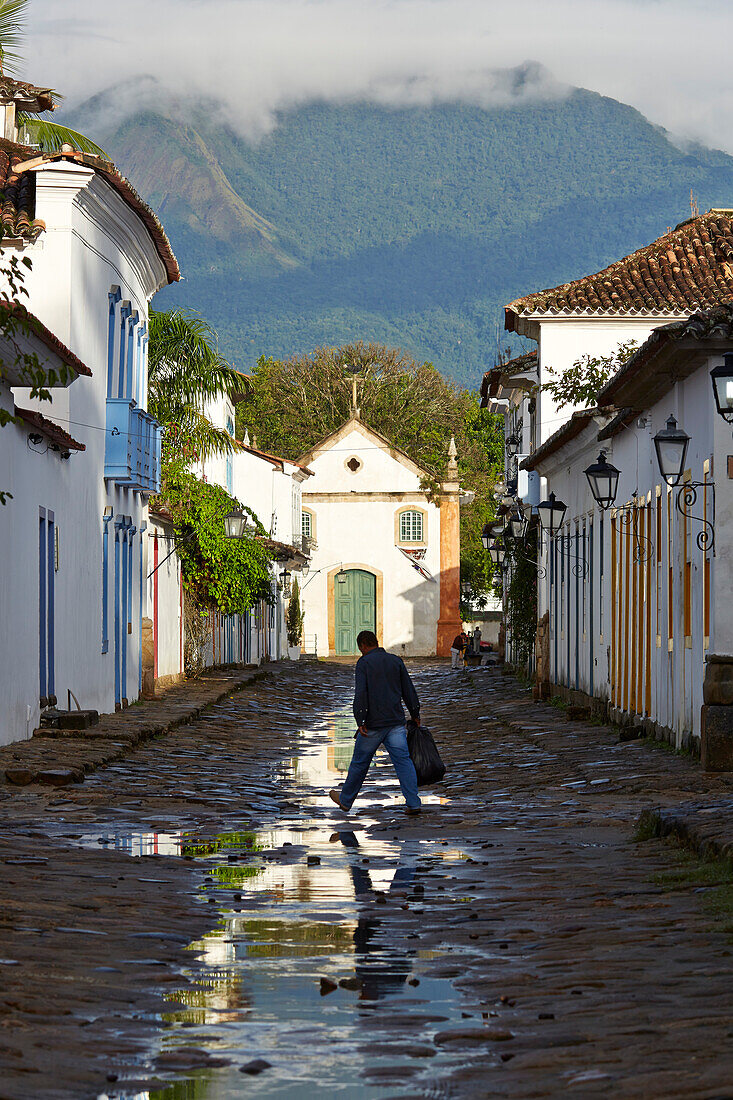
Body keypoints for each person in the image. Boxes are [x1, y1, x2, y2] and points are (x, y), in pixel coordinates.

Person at [329, 630, 422, 816]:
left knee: (360, 763)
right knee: (403, 762)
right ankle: (413, 802)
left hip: (372, 723)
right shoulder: (396, 661)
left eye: (360, 648)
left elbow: (361, 693)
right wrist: (415, 713)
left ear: (363, 645)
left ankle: (346, 800)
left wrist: (360, 719)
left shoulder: (364, 663)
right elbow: (408, 690)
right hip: (395, 721)